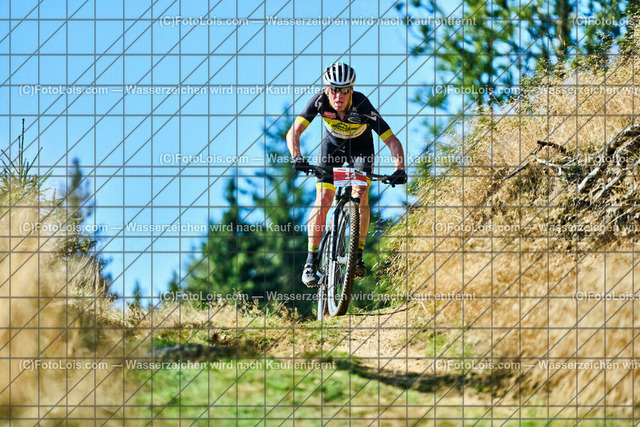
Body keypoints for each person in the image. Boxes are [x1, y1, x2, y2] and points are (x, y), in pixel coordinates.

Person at [287, 62, 407, 287]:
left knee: (360, 192)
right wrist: (297, 156)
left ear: (351, 90)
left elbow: (391, 140)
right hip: (331, 148)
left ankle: (357, 254)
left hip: (361, 150)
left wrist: (399, 168)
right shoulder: (319, 101)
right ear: (326, 89)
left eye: (344, 90)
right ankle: (311, 261)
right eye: (333, 89)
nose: (338, 95)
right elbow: (294, 131)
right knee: (324, 198)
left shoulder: (362, 105)